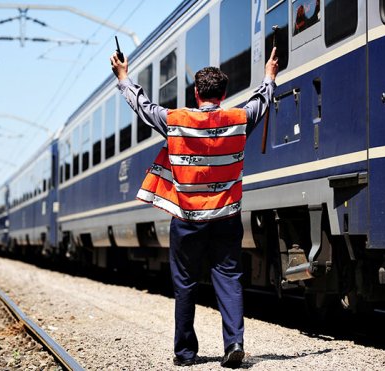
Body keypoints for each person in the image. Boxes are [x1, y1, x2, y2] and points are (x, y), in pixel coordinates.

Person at [111, 47, 278, 368]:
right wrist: (269, 76)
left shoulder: (176, 121)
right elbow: (263, 99)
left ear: (197, 93)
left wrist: (123, 78)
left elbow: (143, 107)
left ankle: (186, 353)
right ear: (224, 93)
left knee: (186, 282)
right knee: (228, 278)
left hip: (187, 219)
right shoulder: (239, 119)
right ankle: (234, 344)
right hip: (228, 216)